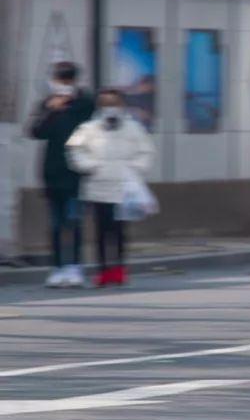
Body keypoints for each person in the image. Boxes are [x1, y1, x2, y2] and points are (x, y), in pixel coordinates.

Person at [66, 89, 155, 288]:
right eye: (106, 104)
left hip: (124, 188)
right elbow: (74, 149)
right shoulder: (87, 128)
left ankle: (119, 269)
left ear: (122, 105)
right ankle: (103, 270)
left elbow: (146, 151)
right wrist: (89, 166)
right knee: (100, 232)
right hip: (97, 188)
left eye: (114, 103)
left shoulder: (134, 128)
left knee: (120, 232)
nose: (110, 108)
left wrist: (135, 168)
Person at [26, 61, 95, 288]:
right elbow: (35, 132)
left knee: (73, 221)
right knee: (56, 223)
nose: (62, 85)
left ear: (74, 81)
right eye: (59, 80)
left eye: (66, 81)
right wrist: (50, 110)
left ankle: (74, 266)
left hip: (76, 171)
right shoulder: (48, 103)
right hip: (52, 171)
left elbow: (90, 130)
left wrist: (70, 106)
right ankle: (57, 267)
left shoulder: (85, 102)